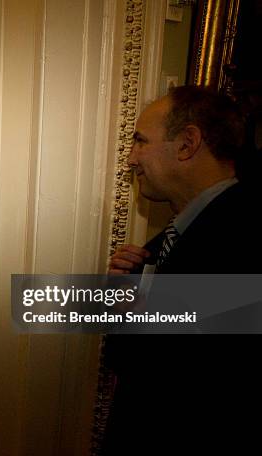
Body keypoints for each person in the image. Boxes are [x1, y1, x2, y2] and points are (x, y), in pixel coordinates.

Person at [101, 86, 262, 454]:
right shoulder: (166, 241)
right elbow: (126, 359)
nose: (131, 159)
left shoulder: (245, 240)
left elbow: (178, 379)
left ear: (187, 143)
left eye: (141, 141)